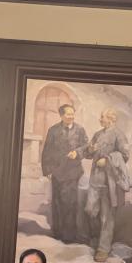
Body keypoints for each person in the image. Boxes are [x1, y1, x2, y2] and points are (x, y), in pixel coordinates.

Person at [84, 108, 130, 263]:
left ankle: (103, 249)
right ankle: (96, 240)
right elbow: (88, 153)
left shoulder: (119, 134)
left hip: (110, 182)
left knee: (107, 216)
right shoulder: (97, 134)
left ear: (111, 119)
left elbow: (125, 155)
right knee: (91, 210)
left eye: (102, 117)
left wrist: (108, 160)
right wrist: (90, 150)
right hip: (95, 180)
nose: (100, 119)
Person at [41, 103, 88, 244]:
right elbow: (47, 150)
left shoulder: (80, 130)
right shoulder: (53, 130)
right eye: (68, 114)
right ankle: (57, 232)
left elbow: (86, 147)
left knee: (71, 203)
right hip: (56, 171)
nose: (71, 116)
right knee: (57, 202)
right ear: (61, 115)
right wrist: (47, 170)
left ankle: (69, 235)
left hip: (73, 172)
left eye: (72, 114)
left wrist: (77, 153)